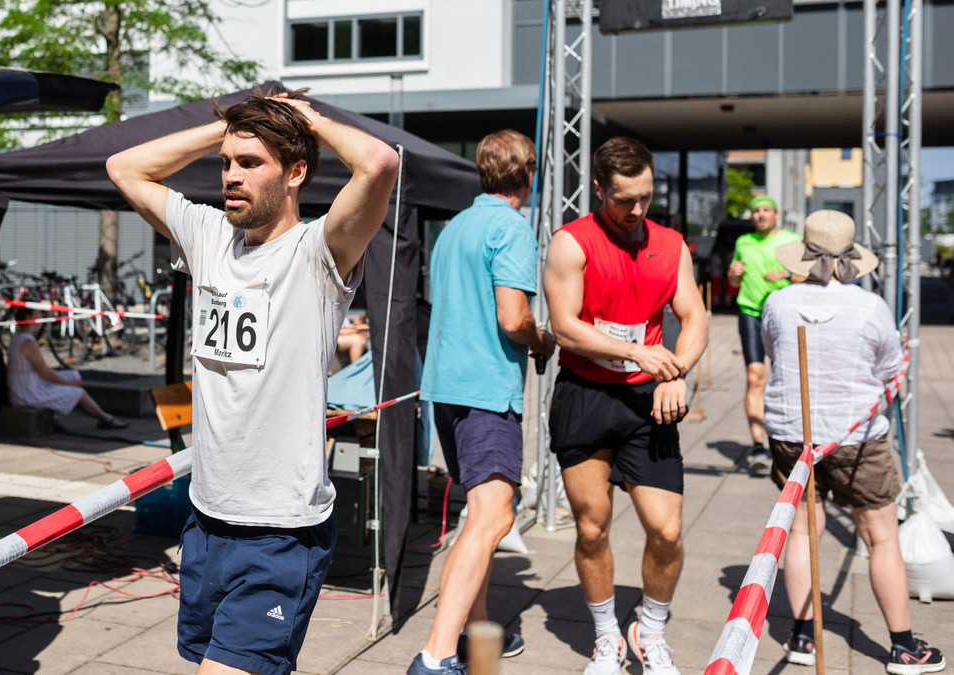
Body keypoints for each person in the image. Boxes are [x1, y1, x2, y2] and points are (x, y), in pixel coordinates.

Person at [106, 87, 398, 675]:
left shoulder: (319, 250)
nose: (231, 176)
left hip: (280, 530)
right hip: (207, 518)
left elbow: (379, 162)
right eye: (226, 163)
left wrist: (305, 118)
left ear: (296, 172)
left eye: (250, 162)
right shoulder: (209, 235)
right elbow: (123, 167)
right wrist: (229, 130)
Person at [543, 137, 708, 675]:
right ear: (599, 190)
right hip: (585, 395)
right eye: (624, 200)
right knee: (592, 528)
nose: (637, 209)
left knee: (667, 530)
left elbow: (695, 317)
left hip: (646, 400)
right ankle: (607, 637)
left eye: (645, 197)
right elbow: (565, 327)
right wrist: (638, 352)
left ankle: (649, 630)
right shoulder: (571, 242)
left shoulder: (672, 244)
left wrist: (675, 371)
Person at [763, 209, 946, 675]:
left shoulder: (778, 301)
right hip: (855, 435)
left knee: (802, 531)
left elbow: (772, 353)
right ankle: (903, 646)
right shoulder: (870, 306)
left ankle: (802, 635)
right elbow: (888, 369)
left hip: (792, 430)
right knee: (880, 535)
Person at [412, 130, 557, 675]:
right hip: (486, 391)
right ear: (528, 174)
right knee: (493, 518)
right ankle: (436, 656)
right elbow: (513, 318)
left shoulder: (455, 228)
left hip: (447, 388)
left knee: (479, 515)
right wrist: (542, 339)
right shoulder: (511, 227)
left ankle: (476, 635)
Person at [727, 195, 801, 471]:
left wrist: (785, 275)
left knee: (785, 378)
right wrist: (734, 273)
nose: (760, 215)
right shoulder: (743, 242)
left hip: (782, 313)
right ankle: (758, 445)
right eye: (756, 211)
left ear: (776, 214)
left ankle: (787, 440)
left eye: (766, 210)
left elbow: (809, 276)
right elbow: (735, 281)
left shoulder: (792, 241)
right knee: (754, 377)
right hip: (750, 312)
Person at [5, 307, 129, 429]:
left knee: (73, 375)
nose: (41, 316)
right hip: (28, 392)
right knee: (78, 392)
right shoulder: (27, 343)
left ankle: (61, 414)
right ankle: (106, 418)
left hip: (29, 383)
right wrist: (68, 384)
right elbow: (45, 372)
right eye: (37, 313)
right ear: (28, 317)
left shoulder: (22, 339)